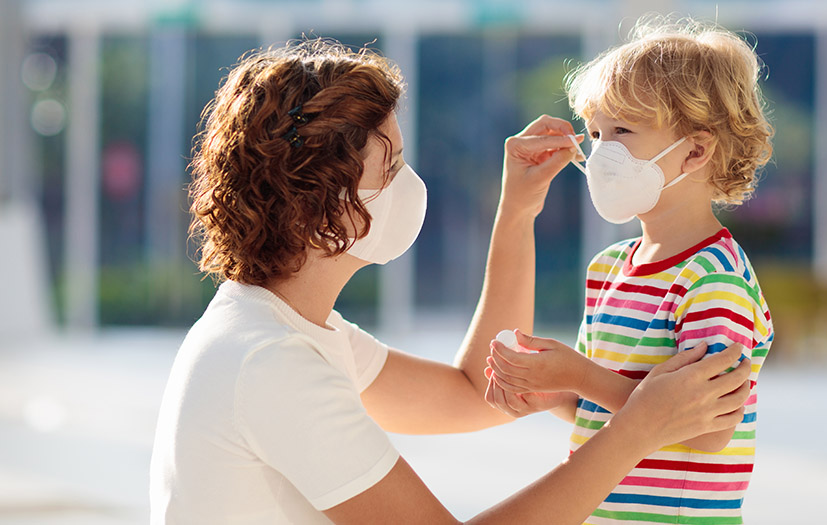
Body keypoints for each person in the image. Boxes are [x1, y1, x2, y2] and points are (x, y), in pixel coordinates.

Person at [148, 39, 752, 524]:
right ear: (325, 206)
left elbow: (472, 392)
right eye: (392, 167)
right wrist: (637, 427)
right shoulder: (271, 363)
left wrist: (517, 212)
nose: (411, 184)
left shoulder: (292, 332)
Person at [483, 17, 775, 524]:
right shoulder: (609, 268)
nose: (601, 154)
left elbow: (708, 427)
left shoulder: (714, 280)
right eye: (595, 134)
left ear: (697, 150)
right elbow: (612, 409)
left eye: (622, 131)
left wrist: (576, 372)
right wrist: (552, 396)